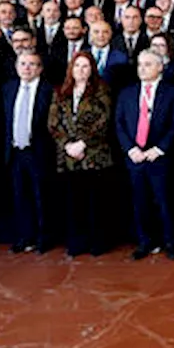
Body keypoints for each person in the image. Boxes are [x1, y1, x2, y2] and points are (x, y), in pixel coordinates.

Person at [115, 50, 174, 260]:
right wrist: (131, 149)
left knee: (165, 201)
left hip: (160, 156)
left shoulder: (172, 92)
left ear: (160, 66)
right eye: (140, 64)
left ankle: (170, 242)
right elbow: (120, 124)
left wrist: (159, 149)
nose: (142, 68)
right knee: (140, 202)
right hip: (135, 156)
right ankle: (145, 242)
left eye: (148, 64)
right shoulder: (127, 92)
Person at [49, 52, 114, 257]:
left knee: (96, 202)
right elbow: (53, 123)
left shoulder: (102, 91)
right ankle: (77, 242)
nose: (81, 70)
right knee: (74, 202)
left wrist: (83, 143)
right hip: (68, 156)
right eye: (77, 66)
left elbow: (104, 121)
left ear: (92, 69)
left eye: (85, 66)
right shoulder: (61, 91)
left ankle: (98, 242)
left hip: (94, 154)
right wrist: (68, 145)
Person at [2, 52, 57, 253]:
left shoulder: (49, 90)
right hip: (15, 152)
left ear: (40, 69)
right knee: (19, 196)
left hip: (39, 152)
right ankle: (25, 237)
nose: (27, 68)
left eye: (32, 64)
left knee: (42, 197)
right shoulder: (8, 88)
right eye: (23, 64)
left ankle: (44, 238)